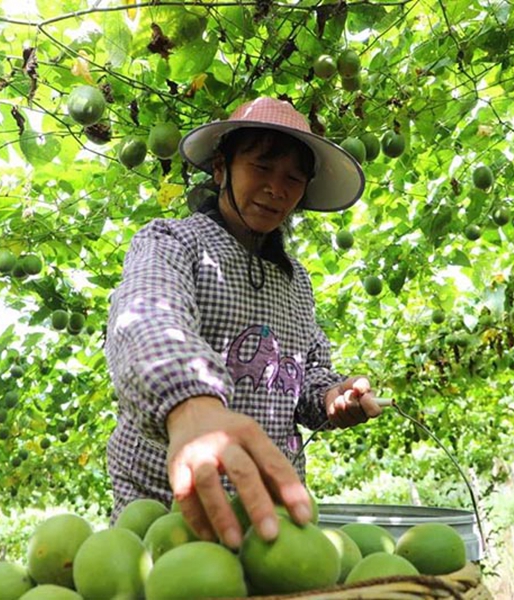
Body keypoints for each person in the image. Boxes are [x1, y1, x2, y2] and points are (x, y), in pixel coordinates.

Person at [105, 96, 383, 550]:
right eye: (261, 167)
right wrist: (189, 406)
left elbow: (306, 374)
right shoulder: (174, 242)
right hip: (169, 510)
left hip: (267, 516)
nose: (277, 188)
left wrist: (333, 397)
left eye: (294, 178)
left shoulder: (296, 282)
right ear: (220, 169)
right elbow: (149, 314)